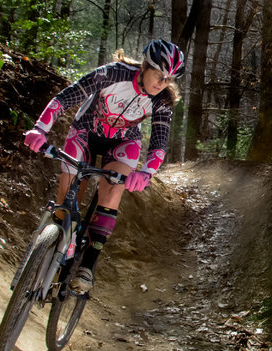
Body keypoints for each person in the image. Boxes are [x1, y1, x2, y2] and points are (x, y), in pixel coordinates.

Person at [24, 39, 185, 293]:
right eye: (159, 75)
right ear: (145, 66)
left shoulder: (162, 100)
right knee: (67, 196)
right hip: (86, 133)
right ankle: (59, 245)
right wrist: (40, 128)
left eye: (168, 79)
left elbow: (158, 144)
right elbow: (66, 97)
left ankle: (87, 266)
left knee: (113, 190)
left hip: (122, 145)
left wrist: (145, 173)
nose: (162, 83)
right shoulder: (112, 73)